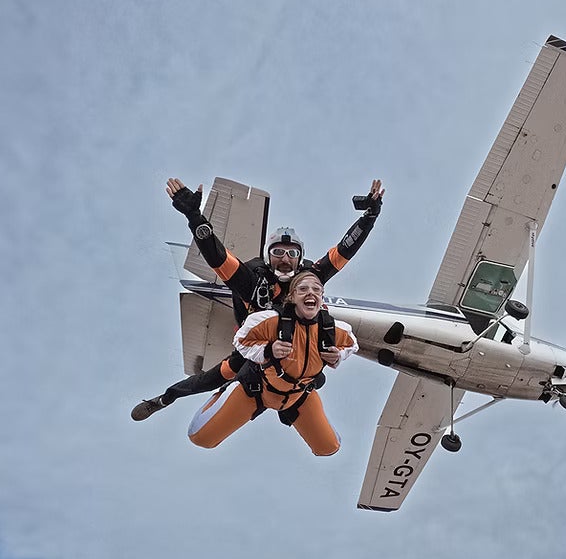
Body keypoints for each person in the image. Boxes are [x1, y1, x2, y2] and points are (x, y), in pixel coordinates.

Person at [131, 176, 384, 421]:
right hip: (256, 346)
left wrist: (369, 217)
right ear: (267, 256)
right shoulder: (253, 281)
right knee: (219, 375)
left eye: (291, 253)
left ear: (300, 258)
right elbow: (217, 256)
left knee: (316, 378)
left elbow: (343, 251)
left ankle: (289, 404)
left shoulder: (311, 277)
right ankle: (165, 399)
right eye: (278, 252)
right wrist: (194, 217)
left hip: (297, 350)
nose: (285, 259)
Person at [186, 271, 358, 455]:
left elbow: (352, 344)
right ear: (292, 297)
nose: (311, 293)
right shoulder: (271, 320)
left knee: (328, 448)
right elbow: (240, 341)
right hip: (256, 390)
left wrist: (338, 355)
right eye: (303, 289)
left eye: (316, 289)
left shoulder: (334, 329)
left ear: (322, 297)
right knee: (200, 438)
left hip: (298, 396)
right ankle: (223, 394)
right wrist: (268, 350)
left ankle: (287, 412)